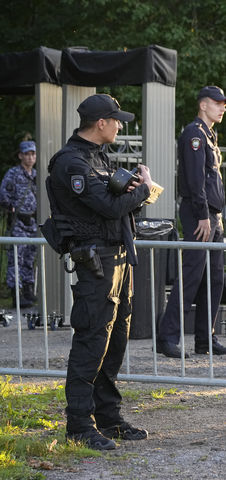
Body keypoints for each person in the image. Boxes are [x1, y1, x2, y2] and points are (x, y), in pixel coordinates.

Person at [45, 93, 151, 450]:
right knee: (92, 339)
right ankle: (79, 424)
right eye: (116, 120)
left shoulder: (97, 157)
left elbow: (113, 203)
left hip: (118, 257)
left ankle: (108, 417)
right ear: (100, 123)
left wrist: (132, 191)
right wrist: (145, 191)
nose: (120, 125)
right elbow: (107, 206)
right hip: (96, 261)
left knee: (115, 341)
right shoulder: (72, 162)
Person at [156, 86, 226, 359]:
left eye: (224, 104)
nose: (223, 107)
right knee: (191, 276)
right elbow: (194, 179)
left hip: (212, 215)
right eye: (218, 103)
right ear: (203, 105)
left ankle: (206, 338)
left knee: (214, 278)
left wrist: (213, 216)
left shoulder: (209, 135)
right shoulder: (194, 133)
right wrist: (203, 214)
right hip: (198, 213)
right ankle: (167, 337)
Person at [0, 140, 38, 307]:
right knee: (16, 257)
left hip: (32, 221)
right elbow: (3, 194)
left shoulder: (36, 175)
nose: (30, 158)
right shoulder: (13, 174)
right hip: (18, 222)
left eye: (33, 154)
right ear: (20, 156)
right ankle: (16, 293)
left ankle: (28, 291)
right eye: (27, 154)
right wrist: (13, 209)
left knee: (30, 257)